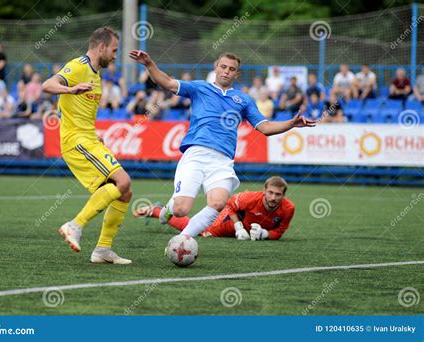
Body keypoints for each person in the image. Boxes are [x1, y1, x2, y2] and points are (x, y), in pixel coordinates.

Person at [129, 49, 315, 240]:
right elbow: (167, 83)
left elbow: (265, 127)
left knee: (218, 203)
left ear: (237, 74)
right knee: (180, 210)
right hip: (196, 153)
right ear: (216, 67)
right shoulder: (199, 88)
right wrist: (149, 64)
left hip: (222, 160)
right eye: (223, 67)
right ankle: (168, 207)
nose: (226, 71)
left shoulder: (243, 99)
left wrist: (291, 124)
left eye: (232, 69)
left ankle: (182, 240)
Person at [42, 26, 132, 265]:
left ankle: (103, 249)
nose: (115, 55)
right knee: (123, 181)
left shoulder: (96, 74)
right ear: (101, 47)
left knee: (124, 192)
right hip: (76, 141)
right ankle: (75, 225)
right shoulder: (79, 65)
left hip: (89, 138)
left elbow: (82, 112)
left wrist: (96, 134)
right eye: (114, 50)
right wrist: (70, 88)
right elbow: (47, 85)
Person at [135, 176, 295, 241]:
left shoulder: (288, 208)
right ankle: (156, 211)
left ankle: (159, 210)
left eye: (278, 194)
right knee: (198, 230)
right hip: (228, 223)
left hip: (244, 231)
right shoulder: (251, 198)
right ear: (264, 191)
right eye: (270, 193)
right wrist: (238, 227)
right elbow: (230, 204)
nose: (273, 198)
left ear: (284, 195)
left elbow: (279, 231)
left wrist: (264, 234)